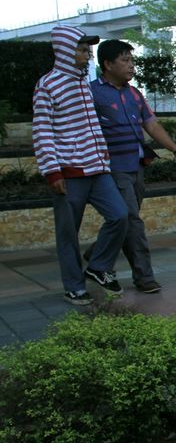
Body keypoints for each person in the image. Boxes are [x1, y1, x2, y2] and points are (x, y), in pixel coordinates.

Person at [32, 25, 128, 306]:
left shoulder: (83, 84)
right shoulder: (47, 85)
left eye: (88, 51)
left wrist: (103, 158)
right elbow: (42, 130)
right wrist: (52, 170)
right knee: (68, 234)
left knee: (119, 216)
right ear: (65, 51)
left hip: (97, 169)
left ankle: (98, 267)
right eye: (83, 50)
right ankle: (73, 286)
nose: (88, 56)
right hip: (68, 172)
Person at [89, 39, 176, 294]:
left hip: (136, 166)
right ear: (107, 64)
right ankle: (144, 277)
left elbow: (151, 124)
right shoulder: (91, 93)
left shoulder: (134, 94)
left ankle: (96, 255)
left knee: (124, 220)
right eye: (125, 60)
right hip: (112, 168)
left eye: (131, 60)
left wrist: (175, 149)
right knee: (132, 221)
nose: (131, 66)